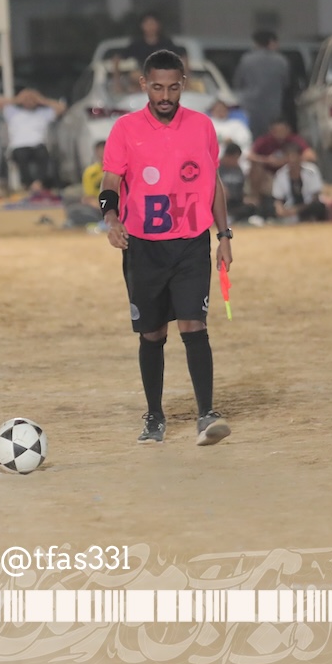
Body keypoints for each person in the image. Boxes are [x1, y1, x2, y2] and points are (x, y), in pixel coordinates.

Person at [99, 49, 233, 446]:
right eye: (157, 87)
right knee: (152, 333)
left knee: (195, 324)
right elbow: (110, 182)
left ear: (183, 84)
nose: (165, 96)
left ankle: (206, 414)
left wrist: (224, 236)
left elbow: (214, 183)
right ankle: (154, 416)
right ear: (144, 84)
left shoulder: (202, 126)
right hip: (143, 247)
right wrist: (111, 220)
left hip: (191, 243)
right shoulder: (125, 129)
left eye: (173, 88)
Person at [0, 88, 64, 195]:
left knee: (43, 154)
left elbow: (61, 107)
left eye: (31, 99)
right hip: (19, 146)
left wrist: (41, 99)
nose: (29, 101)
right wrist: (19, 99)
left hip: (37, 145)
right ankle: (27, 184)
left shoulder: (43, 113)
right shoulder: (13, 113)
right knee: (21, 155)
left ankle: (38, 183)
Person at [233, 29, 293, 139]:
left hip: (249, 107)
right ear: (271, 42)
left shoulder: (246, 60)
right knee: (271, 138)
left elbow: (238, 83)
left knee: (251, 137)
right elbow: (286, 83)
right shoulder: (281, 61)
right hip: (272, 107)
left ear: (256, 43)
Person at [246, 119, 314, 208]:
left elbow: (311, 156)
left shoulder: (295, 139)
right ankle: (256, 199)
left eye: (282, 130)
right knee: (255, 167)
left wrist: (288, 160)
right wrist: (267, 160)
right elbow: (249, 156)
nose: (279, 134)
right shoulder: (264, 141)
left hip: (289, 174)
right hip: (270, 176)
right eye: (276, 131)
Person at [272, 142, 328, 221]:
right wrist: (280, 209)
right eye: (288, 156)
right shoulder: (280, 174)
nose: (291, 160)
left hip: (308, 206)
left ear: (300, 157)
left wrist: (297, 209)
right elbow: (278, 198)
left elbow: (315, 197)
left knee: (318, 206)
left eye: (294, 156)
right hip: (289, 209)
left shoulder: (312, 170)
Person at [63, 140, 106, 228]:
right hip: (97, 206)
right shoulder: (90, 172)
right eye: (99, 152)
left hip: (115, 206)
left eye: (104, 151)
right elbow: (89, 197)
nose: (102, 155)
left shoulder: (118, 170)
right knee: (73, 209)